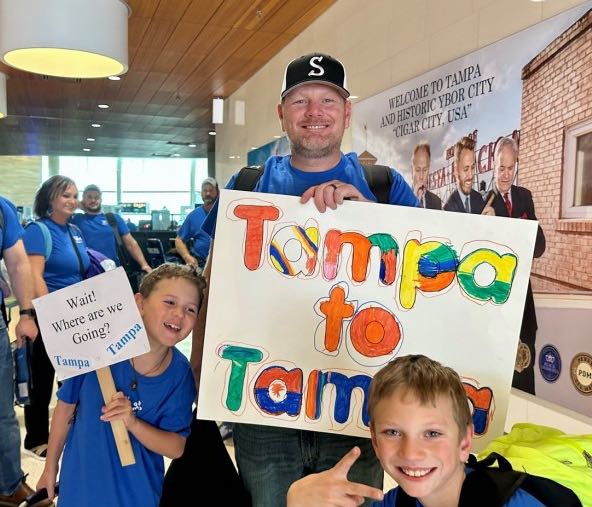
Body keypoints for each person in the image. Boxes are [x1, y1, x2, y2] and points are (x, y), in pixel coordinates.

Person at [194, 52, 418, 507]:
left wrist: (371, 220)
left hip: (357, 401)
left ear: (347, 112)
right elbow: (214, 282)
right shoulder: (248, 184)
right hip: (262, 401)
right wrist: (199, 371)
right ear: (282, 113)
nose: (314, 112)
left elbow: (421, 282)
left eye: (327, 100)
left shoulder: (384, 186)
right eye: (300, 101)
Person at [36, 263, 202, 507]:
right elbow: (65, 408)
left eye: (190, 309)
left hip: (137, 495)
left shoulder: (179, 375)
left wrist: (133, 423)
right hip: (80, 488)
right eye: (169, 302)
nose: (179, 314)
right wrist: (50, 468)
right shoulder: (96, 348)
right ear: (140, 303)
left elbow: (176, 447)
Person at [287, 355, 546, 506]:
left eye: (432, 434)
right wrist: (296, 502)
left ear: (465, 443)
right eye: (393, 432)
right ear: (374, 441)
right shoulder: (396, 503)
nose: (411, 453)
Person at [22, 176, 90, 460]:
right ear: (50, 198)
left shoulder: (75, 230)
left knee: (73, 376)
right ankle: (37, 438)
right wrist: (51, 313)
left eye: (74, 195)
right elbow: (34, 275)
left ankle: (70, 429)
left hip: (76, 316)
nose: (72, 200)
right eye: (65, 195)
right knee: (41, 378)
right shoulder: (38, 231)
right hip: (48, 315)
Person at [0, 196, 51, 507]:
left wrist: (26, 314)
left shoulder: (2, 208)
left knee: (3, 411)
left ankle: (8, 485)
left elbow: (18, 263)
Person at [489, 137, 545, 394]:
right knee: (501, 383)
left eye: (511, 168)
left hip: (525, 306)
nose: (506, 174)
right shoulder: (483, 203)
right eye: (501, 168)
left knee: (526, 376)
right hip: (497, 305)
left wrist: (514, 229)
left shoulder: (524, 197)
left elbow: (539, 246)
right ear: (493, 165)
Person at [72, 184, 151, 273]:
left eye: (96, 197)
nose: (93, 200)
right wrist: (79, 205)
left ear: (101, 200)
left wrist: (144, 265)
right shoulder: (77, 219)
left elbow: (130, 243)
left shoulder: (113, 218)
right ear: (83, 199)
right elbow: (59, 209)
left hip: (112, 269)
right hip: (88, 271)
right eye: (89, 197)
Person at [175, 177, 219, 270]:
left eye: (211, 190)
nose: (208, 193)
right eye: (205, 190)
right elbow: (179, 240)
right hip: (201, 264)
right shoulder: (193, 216)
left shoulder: (225, 213)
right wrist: (187, 257)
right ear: (201, 193)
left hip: (222, 264)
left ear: (217, 192)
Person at [443, 137, 493, 216]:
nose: (470, 175)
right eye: (466, 169)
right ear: (456, 171)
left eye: (472, 168)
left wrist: (491, 220)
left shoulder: (478, 198)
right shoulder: (448, 208)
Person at [412, 142, 441, 210]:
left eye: (425, 170)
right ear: (411, 171)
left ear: (429, 171)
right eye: (418, 170)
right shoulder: (401, 198)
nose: (421, 176)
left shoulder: (437, 201)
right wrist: (413, 198)